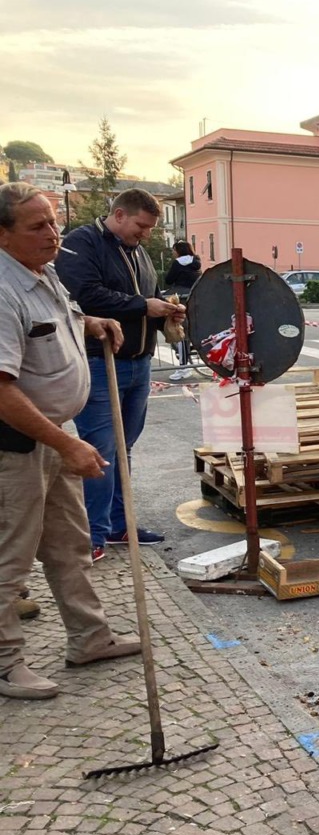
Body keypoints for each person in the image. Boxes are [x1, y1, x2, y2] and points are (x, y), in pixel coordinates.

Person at [0, 183, 142, 699]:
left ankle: (89, 637)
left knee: (69, 545)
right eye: (37, 226)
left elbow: (60, 320)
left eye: (53, 222)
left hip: (52, 435)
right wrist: (66, 445)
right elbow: (2, 390)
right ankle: (5, 663)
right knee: (10, 557)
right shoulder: (2, 287)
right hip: (14, 444)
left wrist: (92, 323)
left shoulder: (43, 272)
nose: (53, 234)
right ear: (2, 234)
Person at [55, 189, 185, 561]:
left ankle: (116, 524)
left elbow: (150, 295)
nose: (145, 234)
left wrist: (166, 313)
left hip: (138, 362)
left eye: (149, 229)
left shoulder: (138, 252)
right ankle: (90, 536)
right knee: (98, 451)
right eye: (141, 226)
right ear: (120, 214)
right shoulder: (83, 243)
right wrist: (144, 306)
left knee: (122, 450)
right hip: (100, 361)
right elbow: (85, 297)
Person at [161, 240, 202, 381]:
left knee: (180, 334)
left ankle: (183, 368)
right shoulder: (197, 262)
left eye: (174, 250)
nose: (173, 253)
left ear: (178, 251)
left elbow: (168, 279)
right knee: (191, 331)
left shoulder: (178, 263)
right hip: (194, 298)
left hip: (180, 298)